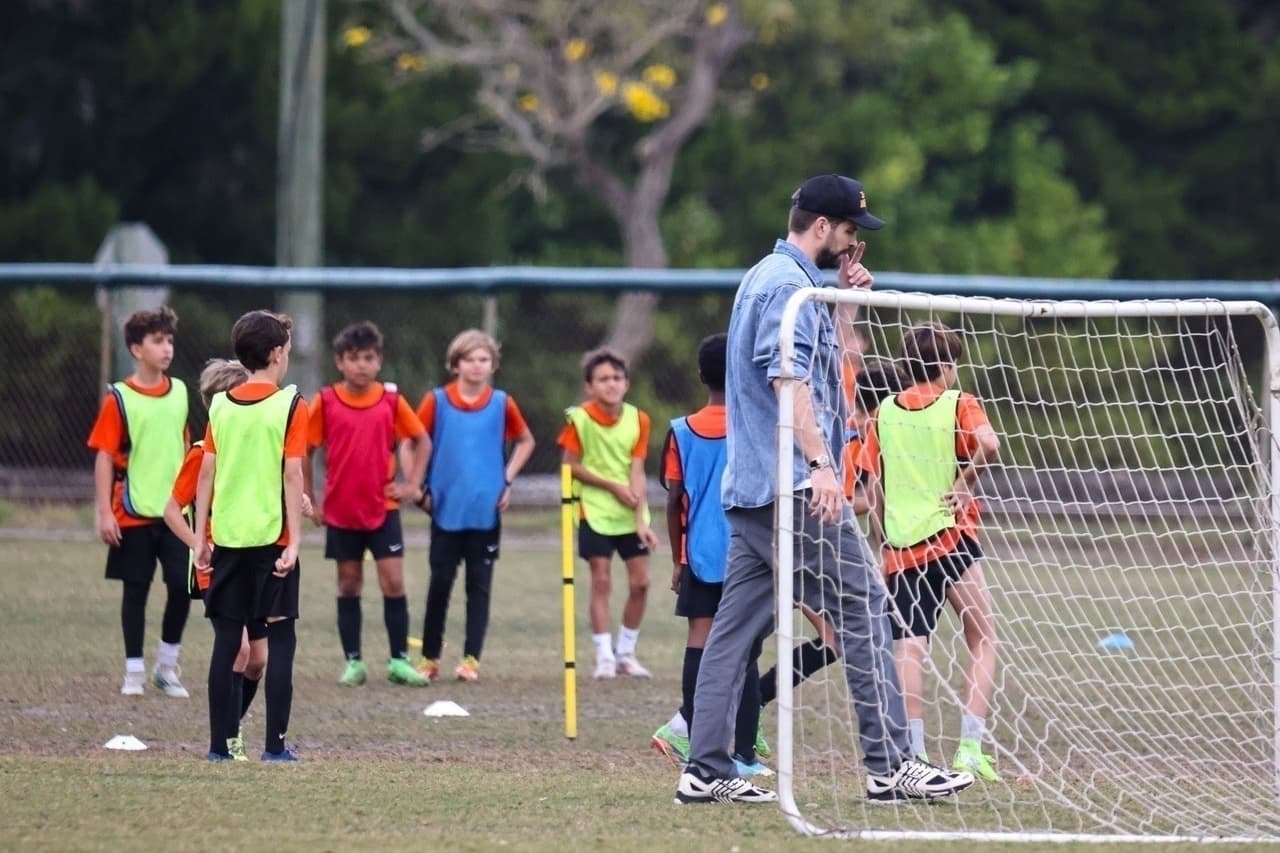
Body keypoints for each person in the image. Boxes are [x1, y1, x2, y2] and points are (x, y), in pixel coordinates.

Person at [675, 174, 973, 805]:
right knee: (867, 606)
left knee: (732, 632)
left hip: (754, 490)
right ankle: (890, 763)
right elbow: (790, 382)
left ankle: (703, 769)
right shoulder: (787, 287)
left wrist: (842, 303)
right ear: (821, 228)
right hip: (795, 490)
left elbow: (825, 367)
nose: (852, 244)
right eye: (847, 231)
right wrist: (822, 468)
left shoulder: (773, 277)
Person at [858, 322, 1001, 781]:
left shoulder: (881, 413)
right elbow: (990, 445)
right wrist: (963, 484)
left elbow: (875, 486)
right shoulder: (960, 403)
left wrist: (880, 544)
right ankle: (970, 749)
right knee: (982, 637)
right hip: (951, 537)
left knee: (909, 648)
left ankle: (913, 755)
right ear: (943, 366)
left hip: (901, 546)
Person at [650, 334, 769, 778]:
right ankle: (745, 756)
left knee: (699, 641)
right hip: (750, 552)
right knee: (747, 650)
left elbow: (673, 497)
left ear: (700, 376)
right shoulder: (753, 425)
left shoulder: (680, 430)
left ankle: (691, 731)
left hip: (699, 554)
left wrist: (679, 560)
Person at [756, 361, 903, 718]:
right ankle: (705, 718)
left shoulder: (847, 430)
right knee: (831, 636)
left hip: (801, 539)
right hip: (809, 544)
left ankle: (741, 709)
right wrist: (888, 500)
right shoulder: (856, 439)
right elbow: (849, 500)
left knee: (828, 637)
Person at [193, 310, 307, 762]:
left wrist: (202, 537)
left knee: (226, 644)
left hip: (228, 540)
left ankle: (220, 748)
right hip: (271, 540)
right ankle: (274, 748)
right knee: (280, 643)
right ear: (277, 354)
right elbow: (292, 473)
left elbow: (206, 474)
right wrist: (294, 541)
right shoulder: (290, 404)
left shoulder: (220, 405)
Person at [304, 321, 431, 688]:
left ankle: (399, 660)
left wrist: (412, 485)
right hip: (342, 511)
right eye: (354, 358)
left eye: (369, 358)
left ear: (379, 362)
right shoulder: (326, 401)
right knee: (348, 583)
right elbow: (305, 451)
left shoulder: (391, 401)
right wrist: (311, 498)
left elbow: (422, 440)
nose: (362, 365)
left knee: (393, 581)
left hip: (383, 509)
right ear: (340, 362)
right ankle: (354, 662)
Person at [411, 330, 535, 683]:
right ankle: (429, 657)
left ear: (492, 364)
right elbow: (411, 441)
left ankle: (470, 660)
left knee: (478, 586)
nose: (477, 366)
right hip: (445, 509)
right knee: (440, 583)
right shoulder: (436, 401)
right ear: (455, 364)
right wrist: (416, 485)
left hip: (485, 511)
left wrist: (506, 478)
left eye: (483, 359)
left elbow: (526, 441)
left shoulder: (501, 402)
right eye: (469, 359)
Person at [86, 305, 193, 698]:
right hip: (131, 513)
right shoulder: (119, 398)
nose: (166, 348)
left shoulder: (180, 391)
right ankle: (134, 670)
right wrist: (104, 513)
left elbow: (184, 445)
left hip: (175, 513)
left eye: (169, 340)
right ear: (136, 348)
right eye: (156, 341)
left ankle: (167, 666)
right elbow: (103, 455)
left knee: (182, 587)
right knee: (137, 590)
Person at [162, 358, 264, 761]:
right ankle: (222, 744)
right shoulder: (203, 453)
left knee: (258, 660)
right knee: (236, 648)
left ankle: (230, 729)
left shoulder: (257, 452)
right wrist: (196, 543)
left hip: (255, 559)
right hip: (216, 567)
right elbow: (172, 509)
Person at [558, 348, 660, 680]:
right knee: (601, 580)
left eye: (617, 378)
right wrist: (611, 486)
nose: (611, 384)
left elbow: (637, 468)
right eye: (603, 379)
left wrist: (639, 519)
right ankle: (604, 655)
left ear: (626, 384)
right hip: (595, 510)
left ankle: (626, 653)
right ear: (590, 386)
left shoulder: (638, 419)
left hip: (628, 511)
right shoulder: (580, 420)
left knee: (641, 583)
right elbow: (570, 466)